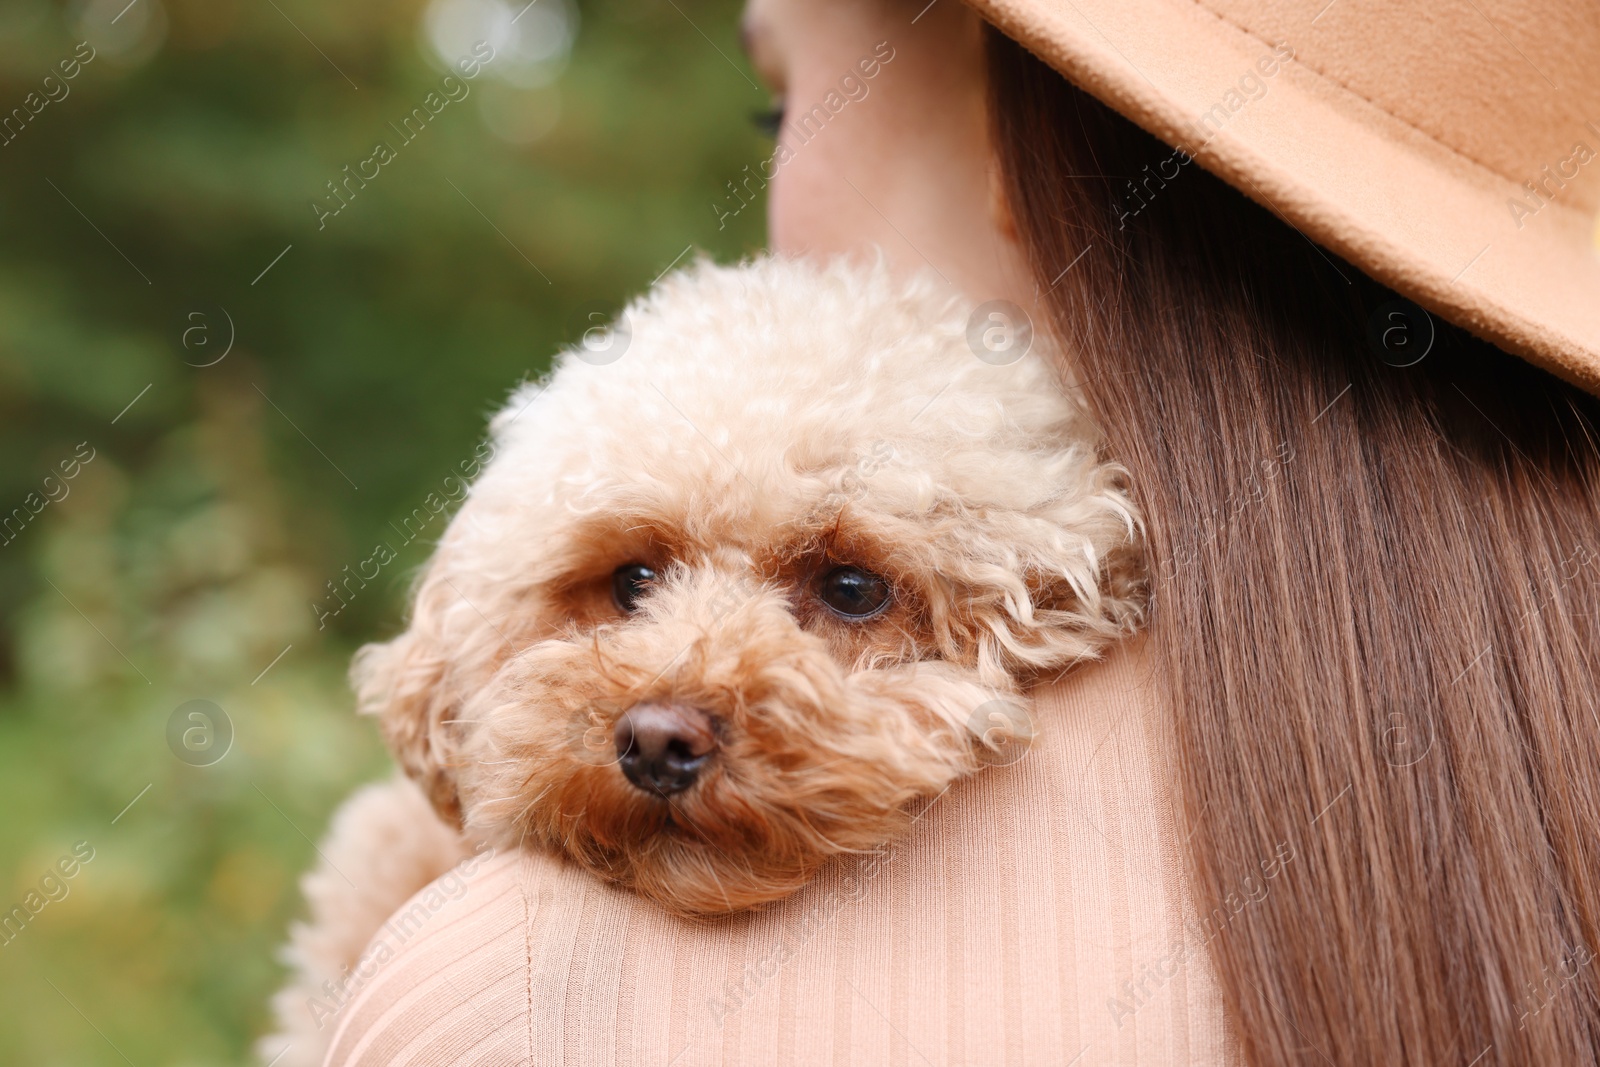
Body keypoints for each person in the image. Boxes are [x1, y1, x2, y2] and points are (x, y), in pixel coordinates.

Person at [321, 0, 1600, 1063]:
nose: (672, 711)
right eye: (635, 578)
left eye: (850, 592)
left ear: (1014, 147)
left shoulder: (529, 994)